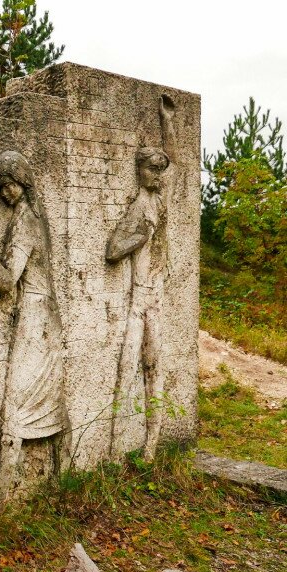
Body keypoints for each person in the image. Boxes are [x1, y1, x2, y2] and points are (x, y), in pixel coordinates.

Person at [0, 150, 69, 499]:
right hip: (39, 316)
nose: (3, 193)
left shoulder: (26, 222)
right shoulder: (28, 217)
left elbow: (6, 281)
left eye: (7, 185)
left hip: (37, 318)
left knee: (15, 405)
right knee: (40, 399)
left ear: (23, 182)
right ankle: (59, 477)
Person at [106, 95, 177, 459]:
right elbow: (112, 249)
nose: (157, 175)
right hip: (137, 300)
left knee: (155, 368)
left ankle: (150, 448)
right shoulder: (138, 206)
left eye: (159, 170)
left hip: (157, 300)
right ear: (139, 171)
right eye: (151, 169)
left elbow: (175, 163)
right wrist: (141, 238)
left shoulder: (161, 200)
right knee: (127, 368)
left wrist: (167, 121)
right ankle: (117, 449)